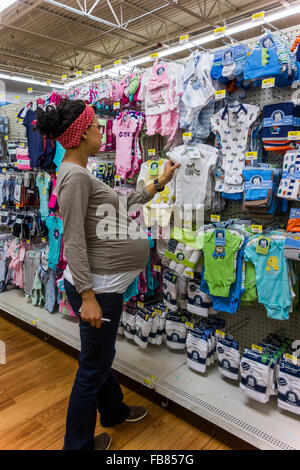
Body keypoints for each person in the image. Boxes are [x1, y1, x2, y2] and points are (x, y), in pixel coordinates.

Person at [36, 100, 180, 451]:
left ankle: (113, 411)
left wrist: (157, 184)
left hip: (100, 287)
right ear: (84, 133)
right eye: (99, 127)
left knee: (98, 358)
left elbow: (122, 206)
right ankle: (78, 445)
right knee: (91, 369)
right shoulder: (73, 178)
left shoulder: (80, 174)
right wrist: (87, 296)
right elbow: (72, 239)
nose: (104, 132)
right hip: (98, 290)